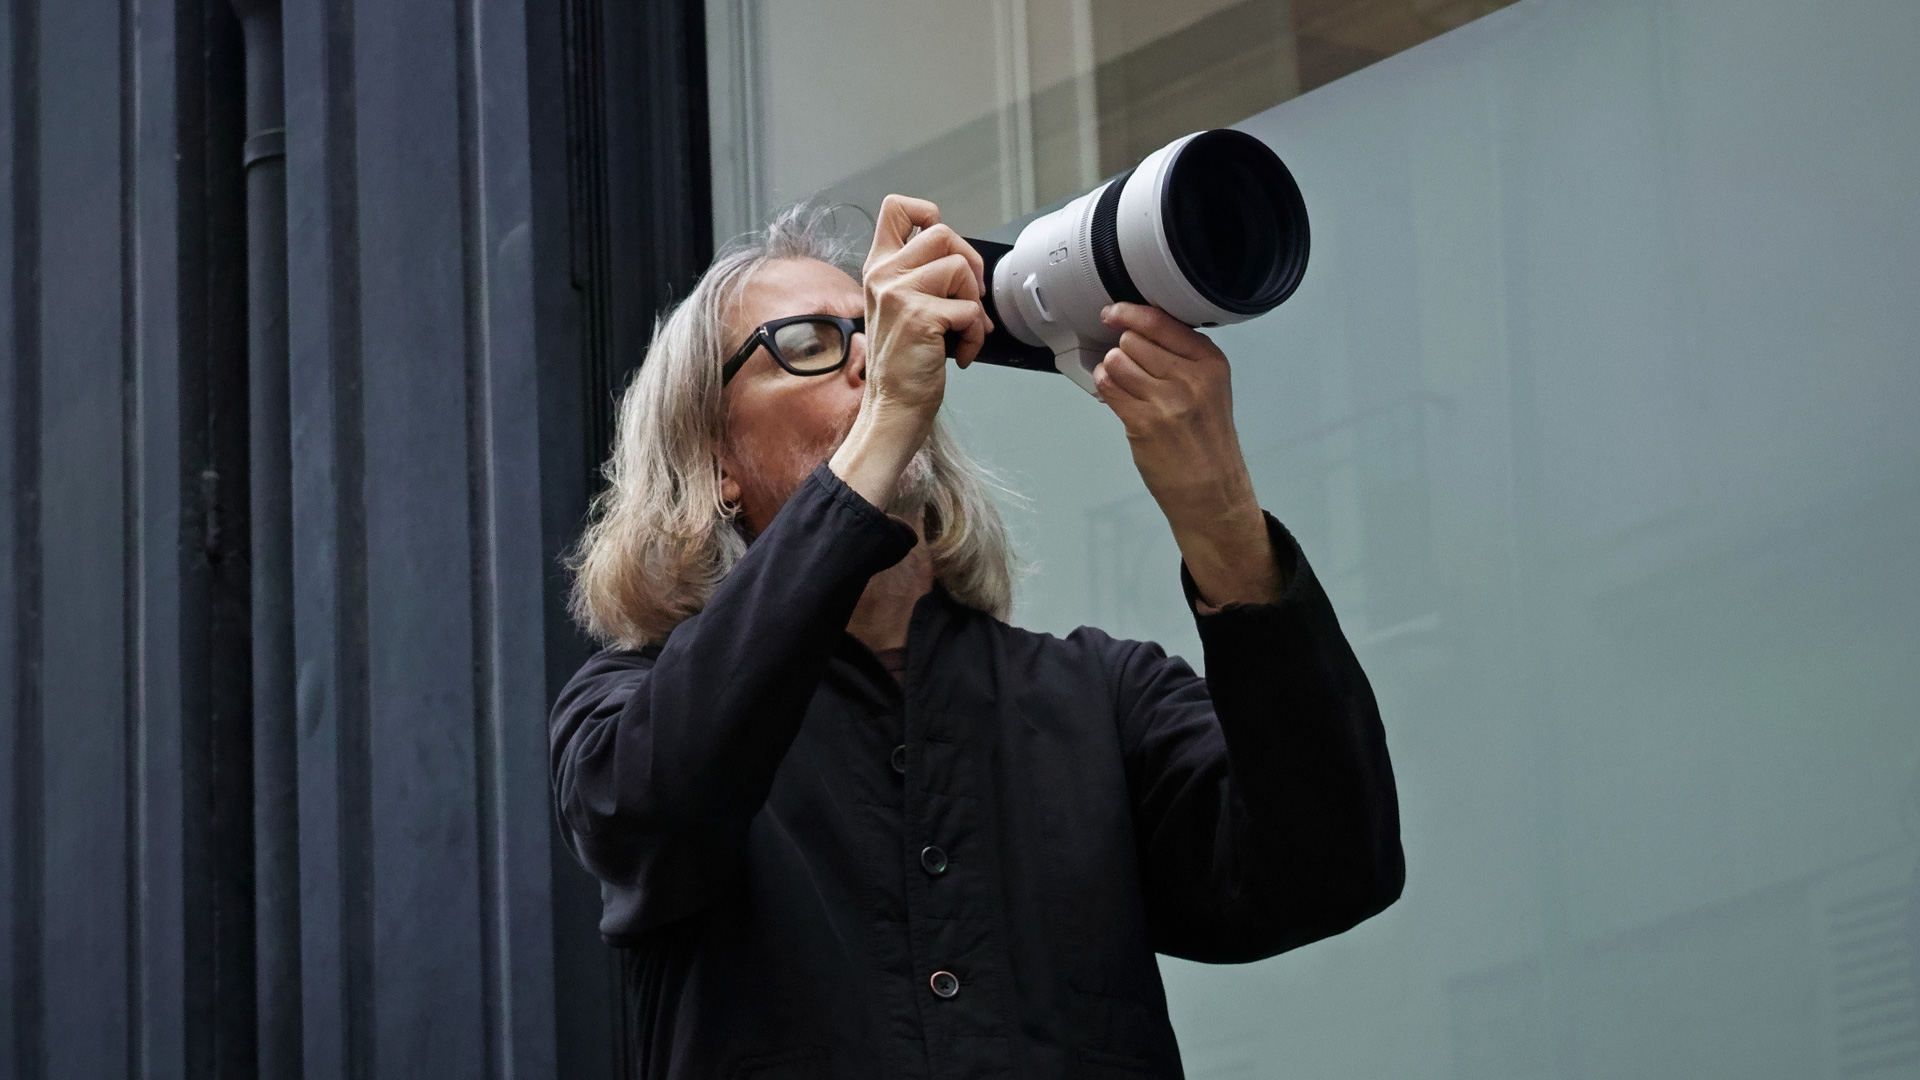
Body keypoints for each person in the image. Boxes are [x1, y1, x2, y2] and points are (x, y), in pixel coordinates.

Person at [551, 196, 1403, 1079]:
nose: (875, 357)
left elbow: (1331, 869)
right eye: (810, 343)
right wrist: (883, 419)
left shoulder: (1102, 698)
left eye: (878, 328)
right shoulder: (627, 707)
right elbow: (649, 812)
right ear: (714, 460)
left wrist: (1216, 506)